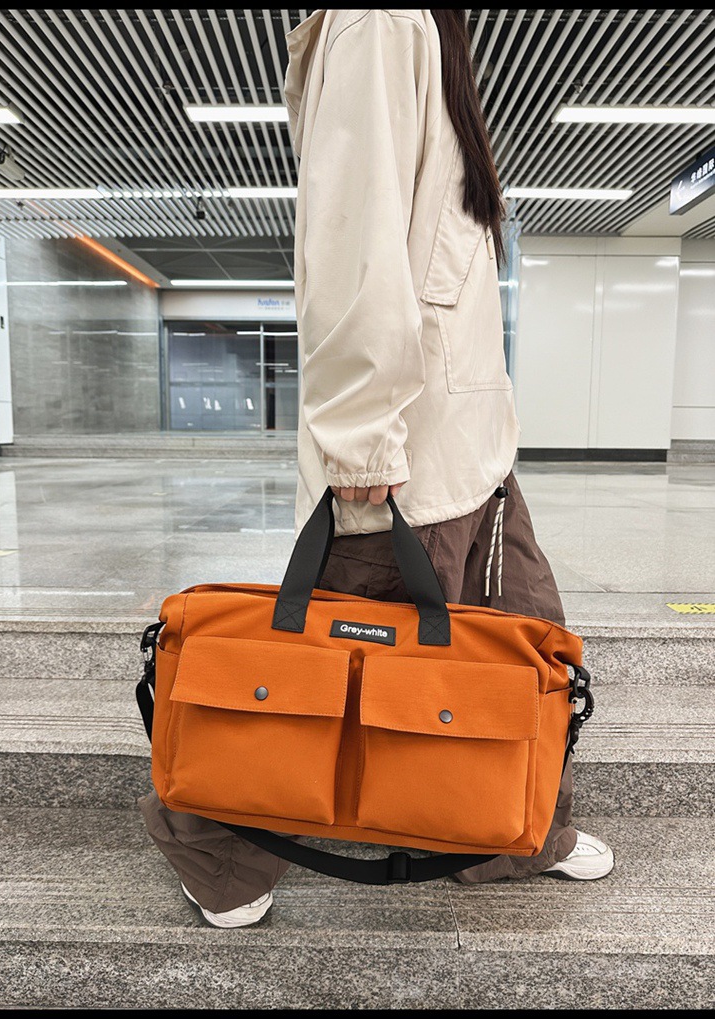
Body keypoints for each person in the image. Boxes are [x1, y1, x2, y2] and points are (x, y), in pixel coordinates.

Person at [140, 8, 614, 929]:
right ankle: (216, 852)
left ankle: (510, 833)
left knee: (529, 648)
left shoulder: (420, 27)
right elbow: (353, 247)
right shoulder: (379, 20)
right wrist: (360, 438)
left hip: (473, 444)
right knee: (315, 667)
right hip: (406, 457)